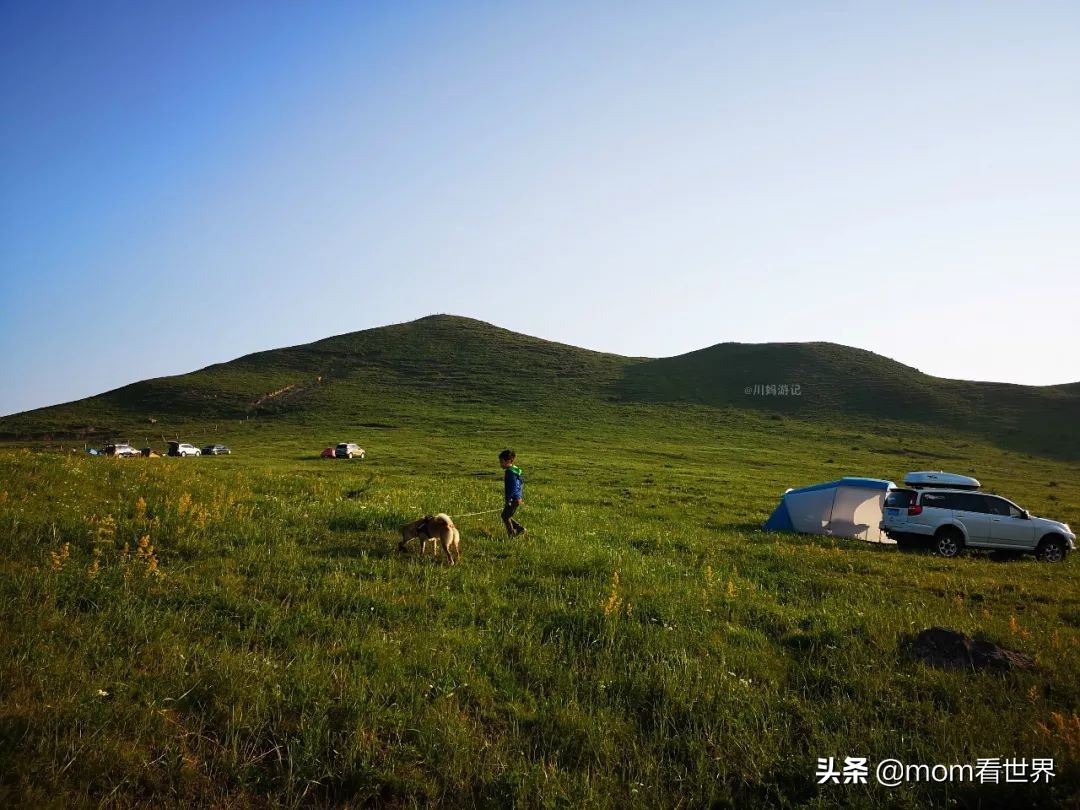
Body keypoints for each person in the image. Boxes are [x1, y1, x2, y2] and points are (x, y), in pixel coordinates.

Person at [499, 448, 526, 537]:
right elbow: (520, 484)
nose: (500, 464)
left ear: (508, 461)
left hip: (513, 499)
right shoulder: (516, 470)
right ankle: (519, 528)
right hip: (517, 498)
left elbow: (512, 487)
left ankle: (512, 534)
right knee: (505, 515)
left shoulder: (509, 472)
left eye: (502, 462)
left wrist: (508, 499)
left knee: (505, 517)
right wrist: (519, 496)